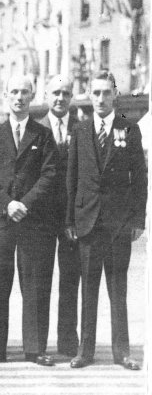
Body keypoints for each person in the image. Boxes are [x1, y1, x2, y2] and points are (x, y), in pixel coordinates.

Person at [66, 70, 147, 370]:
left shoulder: (129, 129)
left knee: (118, 289)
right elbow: (71, 179)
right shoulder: (80, 131)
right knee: (88, 289)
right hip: (88, 223)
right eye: (96, 93)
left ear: (115, 95)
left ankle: (122, 352)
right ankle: (84, 352)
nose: (101, 98)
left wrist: (138, 218)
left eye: (106, 93)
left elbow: (140, 178)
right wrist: (70, 222)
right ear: (89, 95)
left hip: (118, 224)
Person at [0, 75, 58, 366]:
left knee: (34, 284)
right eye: (14, 91)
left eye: (25, 92)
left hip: (32, 220)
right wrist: (7, 204)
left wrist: (24, 204)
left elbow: (49, 175)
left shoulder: (42, 134)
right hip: (0, 220)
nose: (20, 97)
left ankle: (35, 349)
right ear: (5, 95)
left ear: (32, 96)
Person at [38, 75, 80, 358]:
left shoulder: (82, 128)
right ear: (46, 94)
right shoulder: (36, 128)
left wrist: (75, 218)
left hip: (72, 218)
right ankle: (37, 343)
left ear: (71, 96)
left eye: (66, 93)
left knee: (70, 280)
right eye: (55, 92)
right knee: (40, 280)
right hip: (41, 217)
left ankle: (67, 340)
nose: (60, 98)